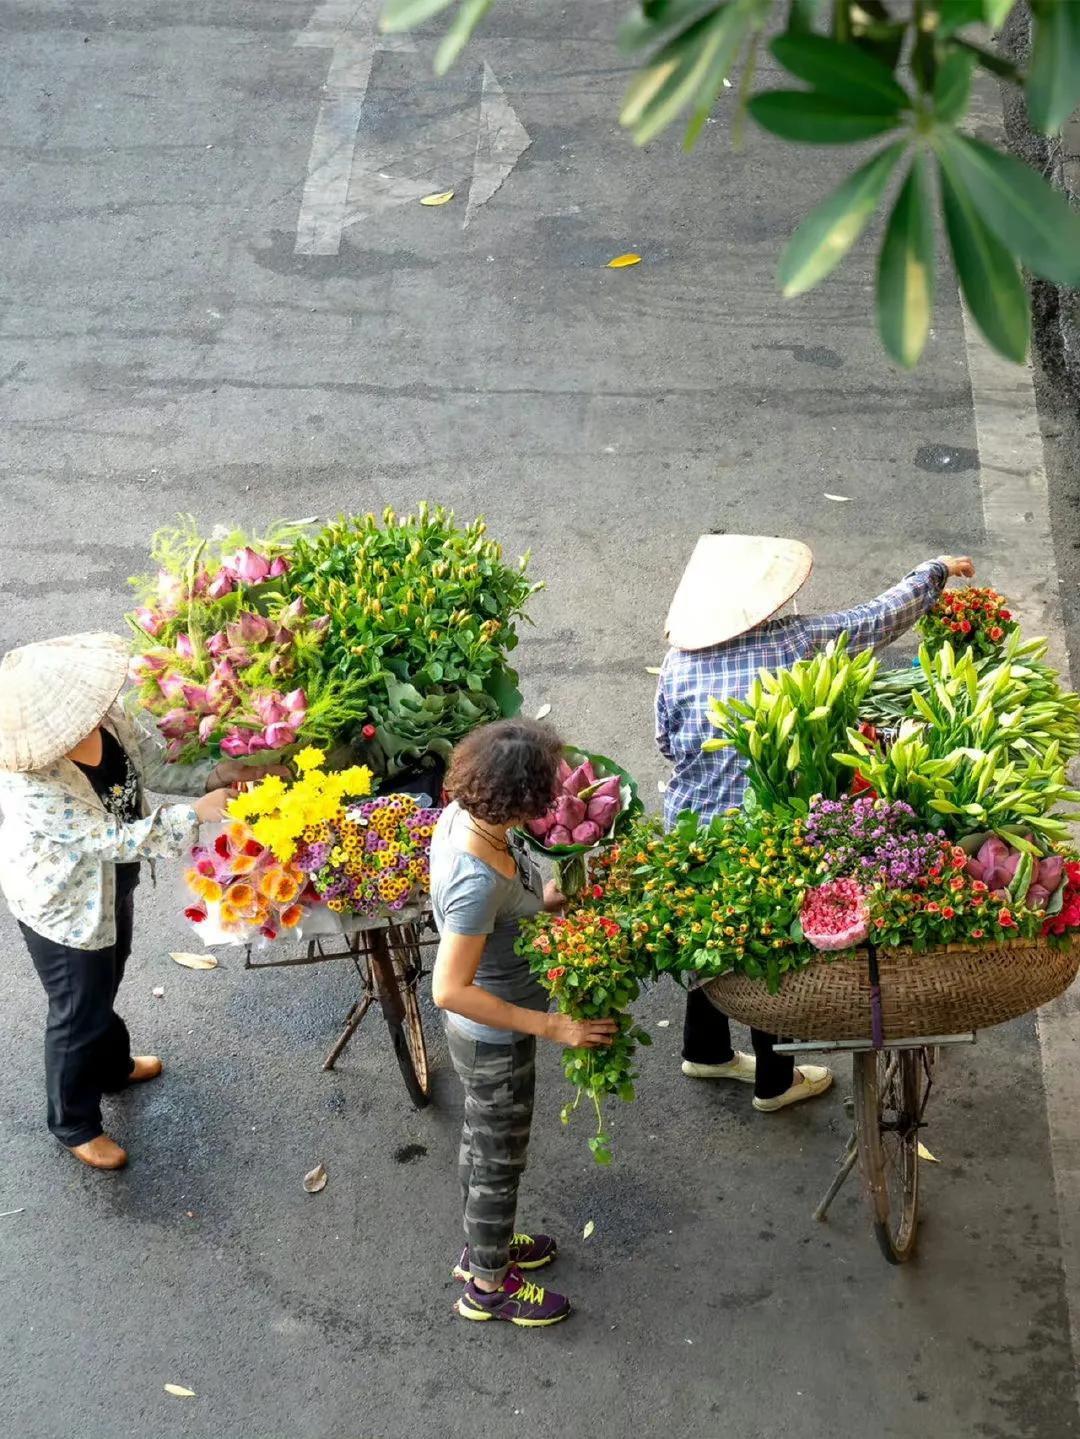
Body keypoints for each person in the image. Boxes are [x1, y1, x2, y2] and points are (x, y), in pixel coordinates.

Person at [656, 537, 975, 1112]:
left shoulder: (678, 666)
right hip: (766, 826)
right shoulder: (796, 641)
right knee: (763, 948)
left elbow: (666, 743)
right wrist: (933, 572)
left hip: (691, 829)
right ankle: (775, 1084)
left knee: (708, 930)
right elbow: (877, 619)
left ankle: (705, 1052)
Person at [0, 632, 274, 1171]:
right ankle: (73, 1121)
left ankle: (111, 1066)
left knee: (109, 975)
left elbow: (152, 763)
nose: (104, 708)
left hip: (110, 883)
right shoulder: (29, 785)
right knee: (77, 1006)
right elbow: (110, 838)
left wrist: (217, 775)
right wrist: (196, 812)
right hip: (61, 903)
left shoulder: (110, 720)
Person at [430, 719, 617, 1329]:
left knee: (484, 1145)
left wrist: (547, 900)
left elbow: (510, 900)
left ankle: (482, 1250)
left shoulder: (466, 814)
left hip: (498, 1033)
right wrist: (551, 1026)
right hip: (495, 1040)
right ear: (519, 800)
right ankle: (487, 1287)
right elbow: (449, 990)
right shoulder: (475, 879)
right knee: (498, 1160)